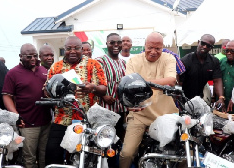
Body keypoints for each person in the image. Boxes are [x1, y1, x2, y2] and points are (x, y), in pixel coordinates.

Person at [119, 32, 179, 168]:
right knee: (127, 153)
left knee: (181, 154)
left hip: (166, 115)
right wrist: (153, 85)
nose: (153, 52)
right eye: (150, 47)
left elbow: (171, 81)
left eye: (158, 48)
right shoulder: (133, 61)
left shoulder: (169, 58)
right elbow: (129, 85)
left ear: (162, 47)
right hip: (139, 114)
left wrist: (142, 83)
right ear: (144, 45)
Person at [45, 36, 107, 165]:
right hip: (61, 119)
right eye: (68, 48)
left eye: (76, 48)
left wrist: (93, 88)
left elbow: (104, 89)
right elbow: (46, 91)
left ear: (82, 49)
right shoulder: (55, 67)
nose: (72, 51)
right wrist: (50, 92)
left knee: (86, 156)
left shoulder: (93, 64)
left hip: (87, 120)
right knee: (52, 152)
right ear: (64, 49)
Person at [2, 43, 51, 168]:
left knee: (45, 156)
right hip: (28, 123)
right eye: (29, 57)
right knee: (29, 158)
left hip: (46, 122)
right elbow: (7, 96)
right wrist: (16, 116)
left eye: (35, 56)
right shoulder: (13, 73)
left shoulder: (44, 70)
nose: (33, 59)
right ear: (20, 56)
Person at [179, 34, 225, 109]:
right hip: (184, 98)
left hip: (200, 98)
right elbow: (179, 83)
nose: (205, 47)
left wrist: (221, 98)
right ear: (198, 42)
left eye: (208, 46)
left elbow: (217, 80)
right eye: (203, 43)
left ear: (211, 48)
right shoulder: (185, 60)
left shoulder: (214, 61)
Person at [96, 33, 127, 140]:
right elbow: (94, 83)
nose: (116, 45)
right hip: (106, 108)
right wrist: (104, 96)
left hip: (120, 108)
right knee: (106, 137)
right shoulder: (100, 61)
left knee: (118, 137)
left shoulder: (124, 63)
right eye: (112, 43)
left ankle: (116, 157)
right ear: (106, 44)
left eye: (119, 42)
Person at [219, 40, 234, 112]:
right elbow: (217, 80)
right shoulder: (222, 61)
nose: (229, 53)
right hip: (222, 103)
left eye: (232, 51)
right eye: (226, 51)